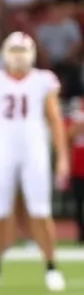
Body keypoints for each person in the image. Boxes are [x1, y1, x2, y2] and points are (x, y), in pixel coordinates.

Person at [0, 32, 69, 292]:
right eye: (13, 50)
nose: (17, 56)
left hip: (34, 151)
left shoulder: (42, 81)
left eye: (21, 50)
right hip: (2, 151)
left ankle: (51, 266)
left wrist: (62, 157)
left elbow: (55, 121)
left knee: (41, 211)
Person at [66, 98, 84, 244]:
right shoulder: (74, 116)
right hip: (77, 168)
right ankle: (80, 234)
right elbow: (67, 136)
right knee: (78, 203)